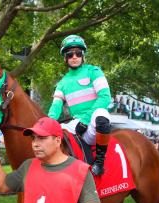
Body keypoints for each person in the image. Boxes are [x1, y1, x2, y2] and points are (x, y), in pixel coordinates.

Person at [48, 34, 112, 176]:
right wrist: (47, 124)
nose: (74, 57)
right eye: (70, 54)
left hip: (92, 123)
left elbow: (105, 97)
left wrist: (85, 120)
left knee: (101, 115)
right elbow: (56, 107)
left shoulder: (94, 71)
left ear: (83, 55)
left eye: (78, 53)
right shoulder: (62, 83)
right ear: (65, 58)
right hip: (75, 123)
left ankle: (99, 163)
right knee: (54, 133)